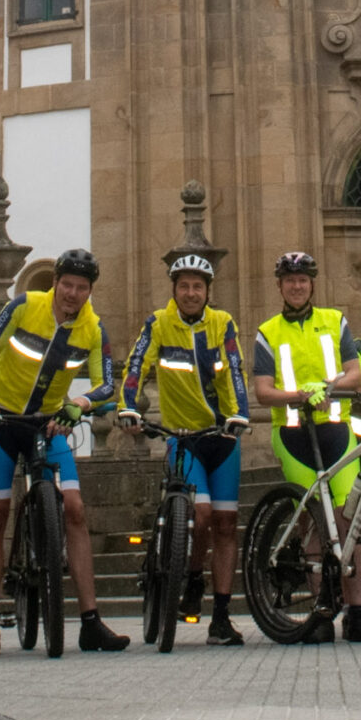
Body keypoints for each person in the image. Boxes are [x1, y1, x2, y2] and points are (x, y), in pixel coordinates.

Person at [0, 248, 129, 654]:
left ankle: (90, 621)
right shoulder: (24, 306)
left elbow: (107, 384)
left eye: (81, 287)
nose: (72, 293)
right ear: (55, 283)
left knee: (74, 509)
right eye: (67, 284)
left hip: (49, 423)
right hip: (1, 420)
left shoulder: (93, 329)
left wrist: (81, 405)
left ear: (90, 291)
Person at [117, 253, 254, 646]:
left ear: (207, 291)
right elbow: (136, 365)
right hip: (182, 437)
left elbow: (235, 369)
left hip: (222, 437)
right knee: (201, 512)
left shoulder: (222, 323)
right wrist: (128, 406)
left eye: (197, 286)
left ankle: (221, 617)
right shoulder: (158, 323)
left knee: (226, 524)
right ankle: (192, 574)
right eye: (184, 286)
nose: (191, 293)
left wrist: (241, 414)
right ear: (174, 290)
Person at [250, 252, 361, 641]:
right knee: (312, 520)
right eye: (290, 280)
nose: (297, 286)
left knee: (350, 519)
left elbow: (355, 373)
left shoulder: (334, 321)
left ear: (312, 284)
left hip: (336, 431)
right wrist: (299, 396)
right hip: (293, 435)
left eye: (303, 280)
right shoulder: (267, 332)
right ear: (280, 286)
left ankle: (357, 613)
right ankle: (321, 612)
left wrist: (327, 388)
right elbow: (262, 392)